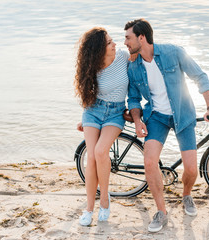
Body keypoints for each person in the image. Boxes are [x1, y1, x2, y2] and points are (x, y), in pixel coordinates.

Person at [124, 19, 209, 232]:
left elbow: (199, 76)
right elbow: (133, 99)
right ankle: (161, 211)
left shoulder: (173, 52)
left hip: (182, 114)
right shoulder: (133, 66)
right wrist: (138, 121)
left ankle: (186, 195)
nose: (125, 42)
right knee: (149, 162)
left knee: (192, 169)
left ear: (141, 37)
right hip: (156, 117)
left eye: (128, 38)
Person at [74, 27, 129, 226]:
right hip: (93, 112)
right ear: (98, 49)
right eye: (109, 43)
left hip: (115, 113)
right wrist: (85, 120)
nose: (115, 44)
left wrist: (135, 109)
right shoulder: (90, 67)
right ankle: (89, 207)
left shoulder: (123, 57)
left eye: (113, 40)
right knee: (91, 155)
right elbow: (87, 96)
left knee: (100, 150)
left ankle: (104, 199)